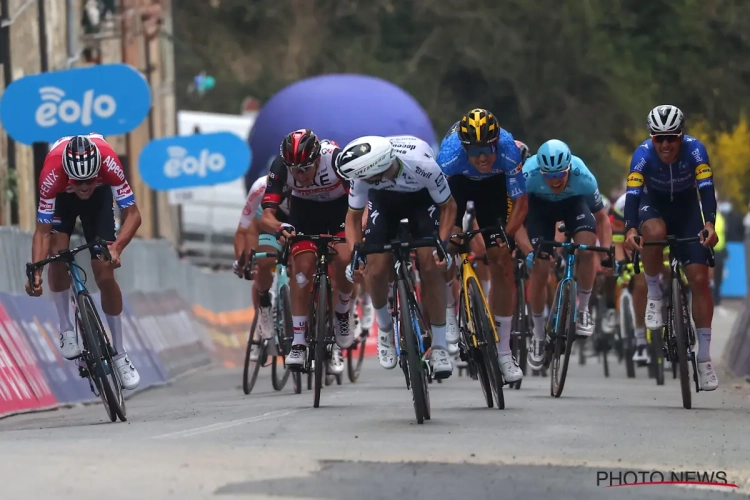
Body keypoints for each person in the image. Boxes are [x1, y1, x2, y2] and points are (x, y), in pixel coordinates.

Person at [26, 134, 142, 390]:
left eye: (89, 180)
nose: (84, 187)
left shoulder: (109, 162)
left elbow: (133, 215)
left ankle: (120, 354)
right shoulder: (51, 173)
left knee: (104, 273)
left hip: (99, 204)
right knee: (57, 254)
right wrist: (36, 269)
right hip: (62, 202)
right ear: (67, 173)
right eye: (78, 182)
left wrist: (117, 248)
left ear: (97, 170)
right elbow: (42, 232)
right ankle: (67, 328)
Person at [337, 135, 458, 378]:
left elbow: (449, 206)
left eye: (363, 176)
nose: (358, 180)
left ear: (377, 169)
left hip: (422, 202)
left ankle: (440, 346)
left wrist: (442, 244)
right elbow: (352, 218)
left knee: (430, 262)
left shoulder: (423, 166)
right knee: (377, 268)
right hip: (384, 205)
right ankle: (384, 328)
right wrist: (355, 254)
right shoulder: (362, 175)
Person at [623, 104, 719, 391]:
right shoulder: (641, 155)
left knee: (700, 280)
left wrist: (711, 223)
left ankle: (703, 359)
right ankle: (655, 292)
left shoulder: (696, 151)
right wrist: (629, 228)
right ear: (651, 138)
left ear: (681, 135)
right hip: (655, 206)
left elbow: (706, 190)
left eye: (672, 137)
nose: (665, 144)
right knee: (653, 231)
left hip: (688, 211)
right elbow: (633, 195)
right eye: (659, 138)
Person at [436, 108, 532, 383]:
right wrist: (444, 238)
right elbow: (440, 205)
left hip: (493, 188)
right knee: (447, 248)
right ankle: (447, 312)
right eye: (474, 150)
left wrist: (507, 235)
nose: (482, 157)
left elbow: (521, 204)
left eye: (488, 149)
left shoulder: (508, 150)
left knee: (502, 260)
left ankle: (504, 353)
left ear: (496, 142)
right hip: (459, 187)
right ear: (464, 147)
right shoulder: (449, 155)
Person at [260, 129, 354, 369]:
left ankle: (342, 311)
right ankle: (299, 342)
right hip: (305, 211)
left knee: (344, 258)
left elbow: (359, 201)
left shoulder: (335, 160)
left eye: (305, 169)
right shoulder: (281, 166)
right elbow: (266, 216)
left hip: (339, 210)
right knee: (301, 272)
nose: (299, 176)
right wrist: (279, 227)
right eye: (295, 170)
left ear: (317, 160)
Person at [523, 139, 613, 370]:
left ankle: (583, 311)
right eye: (548, 175)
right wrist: (528, 252)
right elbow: (515, 220)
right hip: (538, 211)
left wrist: (607, 251)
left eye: (560, 174)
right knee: (540, 268)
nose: (554, 180)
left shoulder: (583, 176)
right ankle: (538, 334)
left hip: (573, 206)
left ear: (569, 169)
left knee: (586, 247)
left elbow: (602, 219)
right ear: (540, 170)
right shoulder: (528, 175)